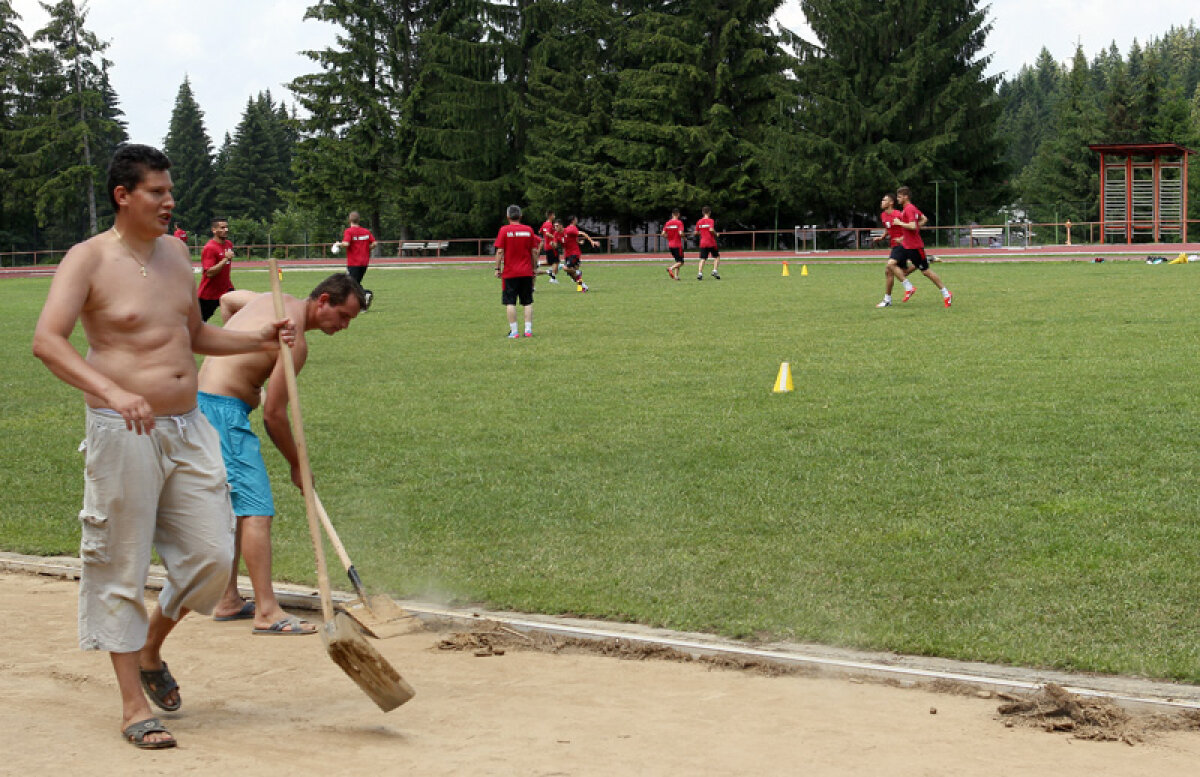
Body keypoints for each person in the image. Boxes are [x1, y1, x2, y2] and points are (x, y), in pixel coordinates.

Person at [31, 143, 296, 750]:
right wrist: (109, 391)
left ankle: (150, 649)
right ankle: (131, 708)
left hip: (189, 425)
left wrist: (259, 336)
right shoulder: (88, 259)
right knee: (118, 564)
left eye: (170, 190)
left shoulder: (178, 254)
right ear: (123, 196)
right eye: (156, 192)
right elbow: (48, 341)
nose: (170, 201)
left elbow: (195, 334)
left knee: (209, 556)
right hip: (123, 430)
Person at [199, 274, 365, 635]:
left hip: (201, 405)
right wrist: (297, 464)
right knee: (257, 508)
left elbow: (228, 301)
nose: (344, 327)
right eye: (343, 316)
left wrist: (240, 356)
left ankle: (228, 599)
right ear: (323, 301)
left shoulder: (270, 302)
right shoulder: (296, 342)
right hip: (223, 412)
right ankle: (267, 611)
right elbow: (274, 416)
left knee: (235, 507)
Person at [894, 186, 952, 307]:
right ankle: (909, 287)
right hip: (906, 246)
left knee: (925, 272)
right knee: (894, 267)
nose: (897, 199)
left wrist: (900, 223)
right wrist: (905, 236)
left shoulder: (909, 209)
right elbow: (923, 219)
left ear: (906, 197)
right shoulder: (908, 208)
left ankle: (946, 293)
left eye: (899, 197)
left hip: (915, 247)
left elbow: (913, 226)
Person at [494, 204, 542, 338]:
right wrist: (534, 267)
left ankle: (514, 331)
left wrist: (497, 268)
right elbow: (534, 251)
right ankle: (528, 330)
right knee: (527, 302)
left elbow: (500, 251)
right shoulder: (528, 230)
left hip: (510, 272)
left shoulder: (504, 230)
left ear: (508, 216)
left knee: (510, 302)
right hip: (526, 271)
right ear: (520, 216)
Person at [875, 192, 916, 308]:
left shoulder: (898, 214)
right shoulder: (883, 215)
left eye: (884, 200)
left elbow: (910, 227)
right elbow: (888, 228)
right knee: (901, 272)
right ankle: (887, 300)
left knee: (890, 265)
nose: (882, 202)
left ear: (891, 203)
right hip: (895, 245)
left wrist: (903, 238)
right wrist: (882, 237)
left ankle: (908, 287)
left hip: (903, 245)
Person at [334, 211, 376, 309]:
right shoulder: (366, 231)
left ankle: (365, 294)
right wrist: (367, 248)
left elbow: (346, 244)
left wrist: (338, 244)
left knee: (350, 283)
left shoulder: (349, 231)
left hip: (354, 262)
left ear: (349, 220)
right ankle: (362, 305)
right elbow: (374, 243)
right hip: (364, 262)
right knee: (354, 283)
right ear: (359, 220)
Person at [198, 218, 234, 322]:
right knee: (197, 324)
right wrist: (225, 259)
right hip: (209, 294)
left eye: (226, 227)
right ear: (214, 230)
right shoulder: (210, 248)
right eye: (222, 227)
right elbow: (209, 273)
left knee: (238, 314)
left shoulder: (228, 244)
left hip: (227, 289)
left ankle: (232, 335)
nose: (226, 229)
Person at [561, 215, 598, 292]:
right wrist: (590, 241)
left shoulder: (570, 229)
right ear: (573, 220)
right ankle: (582, 287)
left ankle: (579, 279)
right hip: (568, 254)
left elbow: (581, 234)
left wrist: (591, 241)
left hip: (574, 253)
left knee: (565, 268)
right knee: (572, 274)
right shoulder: (570, 229)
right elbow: (579, 235)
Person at [694, 206, 721, 280]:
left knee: (703, 258)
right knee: (717, 257)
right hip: (711, 242)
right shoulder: (710, 220)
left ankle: (700, 273)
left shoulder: (699, 221)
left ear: (702, 212)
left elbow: (695, 232)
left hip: (703, 242)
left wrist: (702, 232)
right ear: (709, 212)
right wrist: (716, 234)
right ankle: (715, 270)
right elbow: (711, 229)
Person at [663, 208, 685, 280]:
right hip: (677, 245)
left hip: (670, 245)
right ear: (678, 214)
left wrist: (668, 238)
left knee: (677, 261)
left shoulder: (667, 223)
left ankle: (676, 276)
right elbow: (680, 233)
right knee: (681, 262)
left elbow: (663, 233)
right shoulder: (679, 223)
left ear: (672, 214)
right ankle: (670, 268)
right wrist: (684, 238)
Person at [539, 209, 560, 282]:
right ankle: (553, 278)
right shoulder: (549, 224)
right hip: (552, 246)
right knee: (556, 262)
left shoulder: (544, 223)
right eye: (553, 215)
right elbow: (547, 233)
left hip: (547, 246)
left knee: (550, 262)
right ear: (550, 216)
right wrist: (555, 237)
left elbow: (540, 231)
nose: (554, 216)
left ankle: (538, 264)